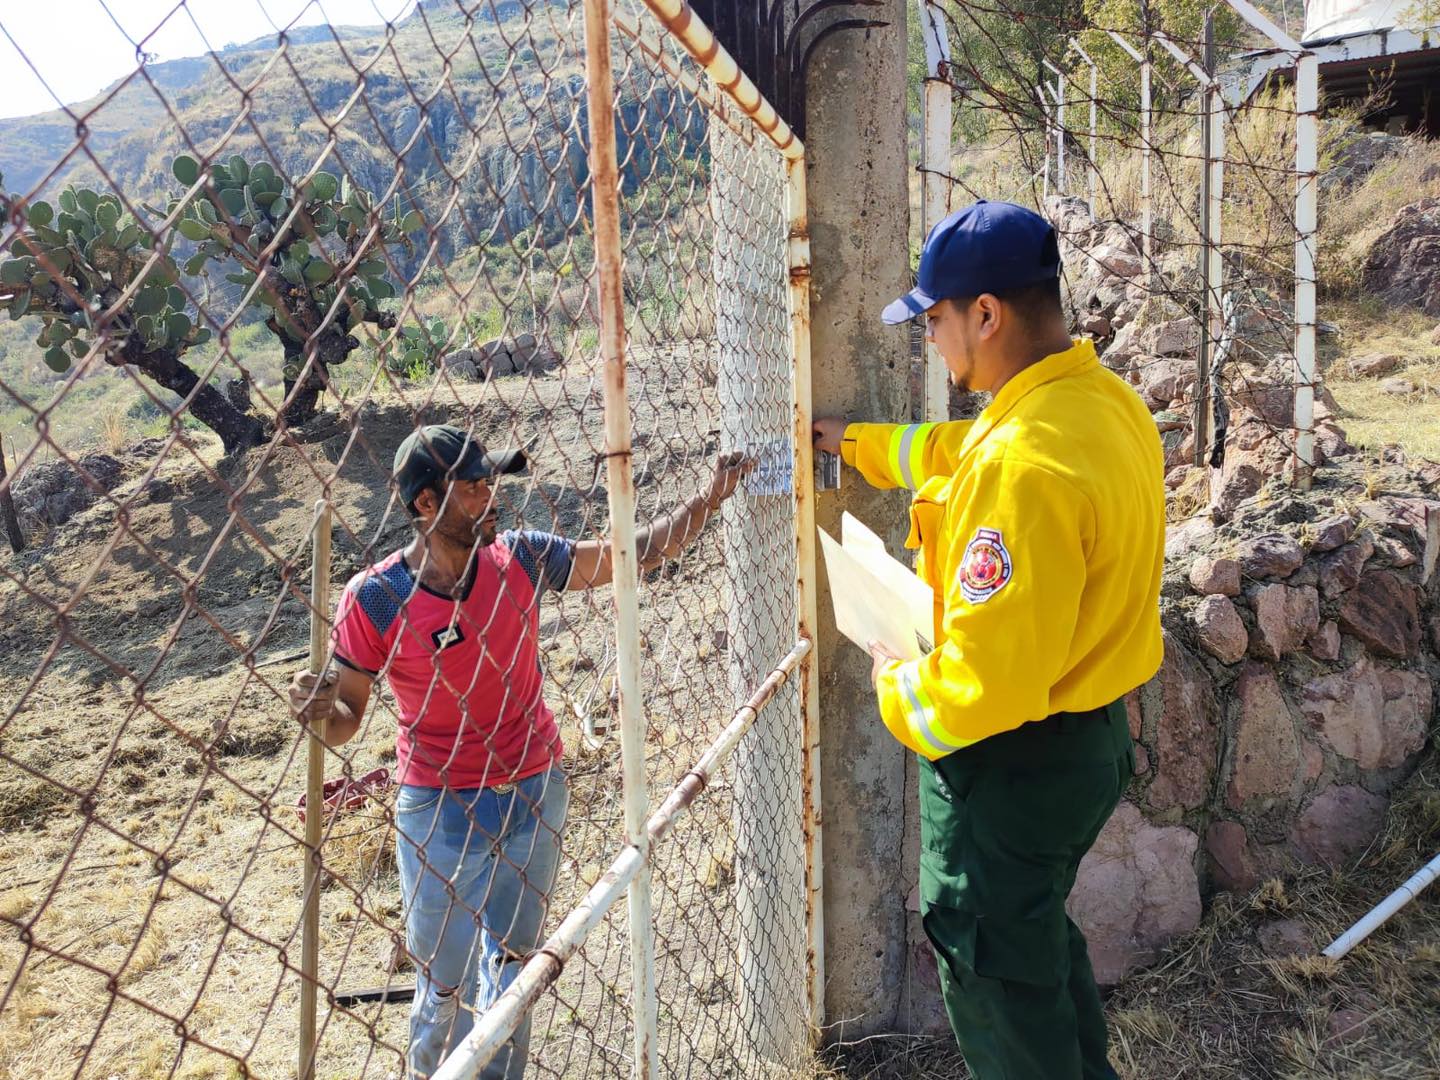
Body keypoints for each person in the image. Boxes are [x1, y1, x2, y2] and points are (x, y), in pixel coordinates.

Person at [812, 200, 1165, 1080]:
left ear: (986, 315)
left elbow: (981, 690)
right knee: (1030, 936)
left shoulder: (1019, 468)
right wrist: (855, 445)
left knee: (994, 968)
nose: (930, 338)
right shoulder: (1100, 404)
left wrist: (894, 677)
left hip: (1012, 764)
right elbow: (959, 449)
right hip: (1085, 741)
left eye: (934, 319)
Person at [288, 423, 751, 1079]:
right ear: (426, 503)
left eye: (491, 482)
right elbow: (346, 719)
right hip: (439, 812)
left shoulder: (523, 558)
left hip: (534, 793)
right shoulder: (378, 598)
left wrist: (708, 498)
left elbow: (633, 552)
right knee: (442, 985)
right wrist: (316, 714)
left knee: (515, 969)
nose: (492, 497)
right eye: (474, 486)